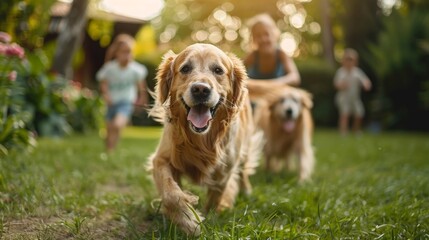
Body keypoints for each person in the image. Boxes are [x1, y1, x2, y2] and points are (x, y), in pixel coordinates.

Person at [97, 34, 149, 152]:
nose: (127, 55)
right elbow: (103, 83)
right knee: (110, 129)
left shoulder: (136, 69)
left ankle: (111, 148)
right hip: (111, 102)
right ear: (117, 53)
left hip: (126, 102)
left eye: (129, 52)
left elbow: (141, 86)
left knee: (117, 124)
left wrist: (142, 98)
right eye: (124, 52)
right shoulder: (110, 68)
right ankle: (110, 150)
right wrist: (106, 95)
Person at [243, 13, 300, 86]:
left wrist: (269, 84)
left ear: (274, 34)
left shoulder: (280, 54)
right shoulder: (253, 56)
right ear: (253, 39)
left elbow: (295, 78)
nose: (263, 39)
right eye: (258, 36)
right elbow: (237, 74)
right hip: (257, 95)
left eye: (266, 34)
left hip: (277, 94)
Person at [334, 48, 372, 136]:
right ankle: (343, 131)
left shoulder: (357, 72)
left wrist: (366, 84)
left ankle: (356, 130)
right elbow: (336, 84)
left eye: (351, 60)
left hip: (355, 98)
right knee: (345, 114)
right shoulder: (341, 72)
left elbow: (365, 80)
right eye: (347, 59)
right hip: (344, 98)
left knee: (359, 113)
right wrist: (341, 85)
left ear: (355, 61)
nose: (349, 62)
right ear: (343, 61)